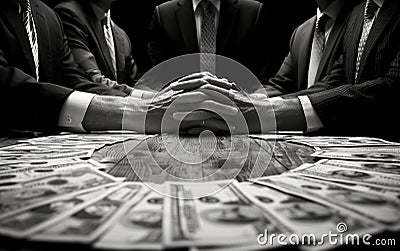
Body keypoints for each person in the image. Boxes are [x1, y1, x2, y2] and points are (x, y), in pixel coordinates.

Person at [175, 0, 400, 139]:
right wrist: (241, 100)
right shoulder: (308, 30)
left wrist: (262, 111)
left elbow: (390, 89)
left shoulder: (351, 14)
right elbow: (323, 84)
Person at [0, 0, 228, 134]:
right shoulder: (67, 12)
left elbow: (74, 80)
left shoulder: (49, 17)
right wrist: (142, 109)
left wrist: (157, 98)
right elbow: (90, 79)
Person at [147, 0, 279, 83]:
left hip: (237, 111)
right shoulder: (164, 14)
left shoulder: (253, 12)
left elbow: (262, 76)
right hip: (180, 111)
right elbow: (158, 77)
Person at [265, 0, 362, 97]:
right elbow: (279, 86)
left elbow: (330, 87)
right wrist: (252, 99)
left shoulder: (361, 22)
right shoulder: (300, 32)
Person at [54, 0, 142, 96]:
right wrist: (141, 96)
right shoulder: (69, 14)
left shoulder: (121, 35)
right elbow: (90, 78)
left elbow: (137, 83)